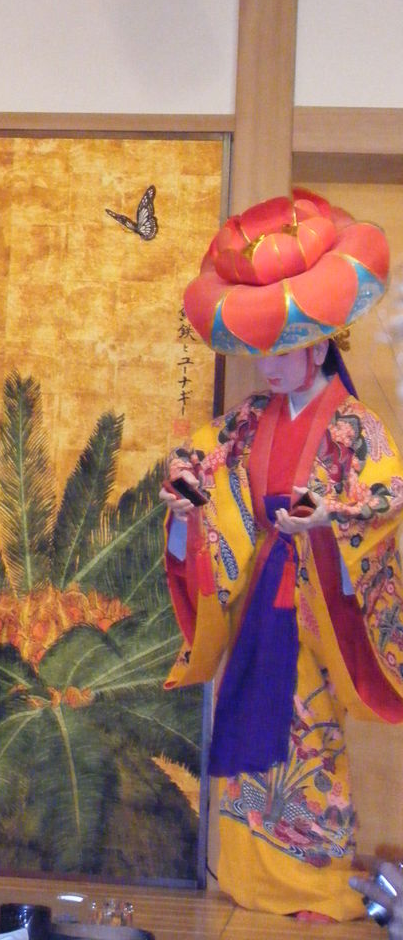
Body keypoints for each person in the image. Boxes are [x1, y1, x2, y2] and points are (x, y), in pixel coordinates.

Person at [161, 189, 403, 920]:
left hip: (320, 601)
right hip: (265, 593)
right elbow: (197, 459)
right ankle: (252, 878)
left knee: (311, 734)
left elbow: (388, 493)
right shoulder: (249, 421)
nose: (266, 367)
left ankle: (319, 883)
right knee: (251, 721)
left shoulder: (354, 424)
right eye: (259, 352)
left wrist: (333, 515)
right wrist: (184, 498)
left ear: (319, 346)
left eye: (280, 352)